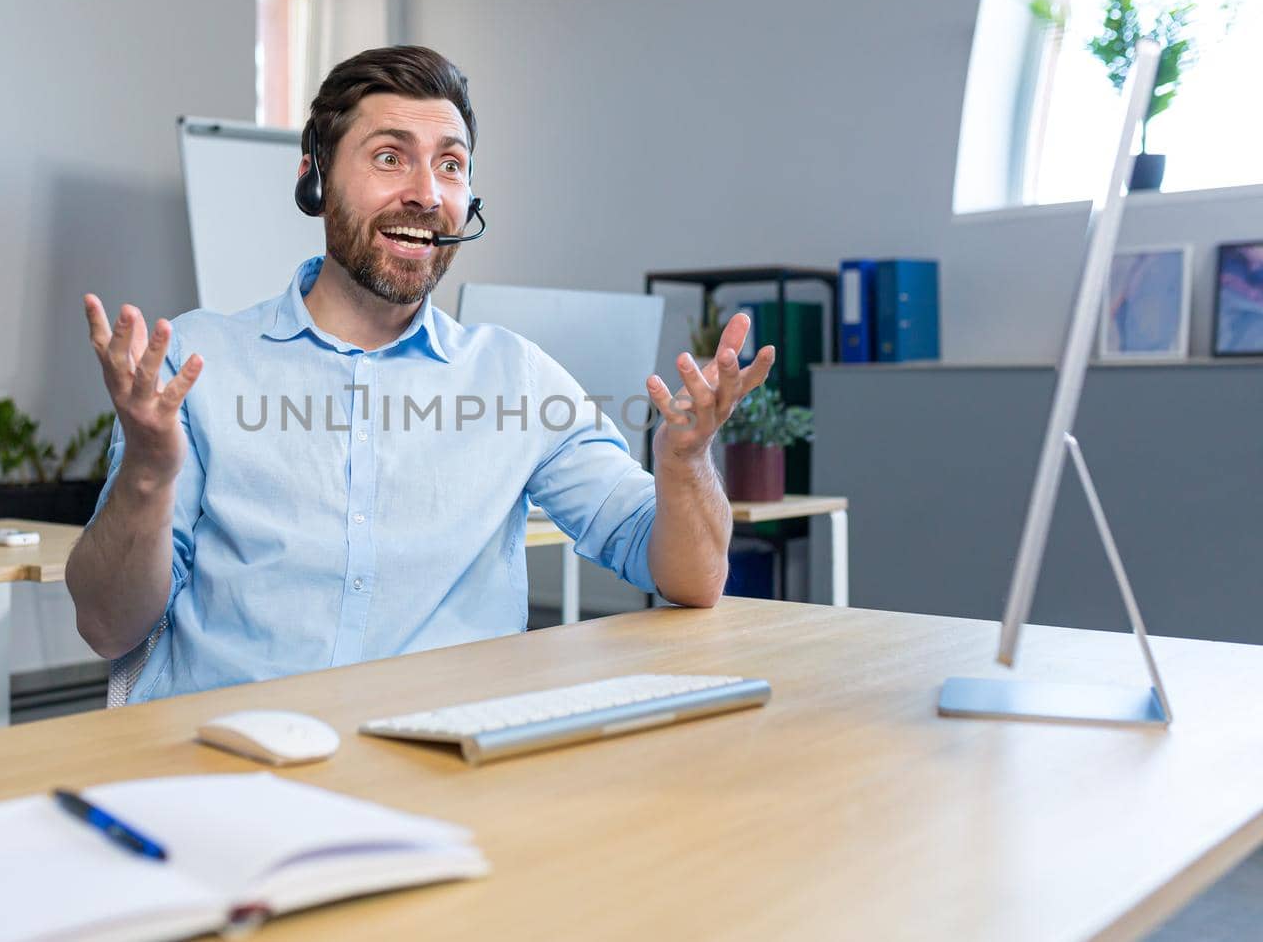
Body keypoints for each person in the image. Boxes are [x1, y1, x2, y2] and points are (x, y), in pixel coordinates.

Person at [65, 45, 775, 702]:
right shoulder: (199, 364)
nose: (427, 192)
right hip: (228, 766)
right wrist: (150, 474)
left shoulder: (515, 378)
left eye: (452, 164)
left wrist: (686, 464)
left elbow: (692, 575)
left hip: (443, 770)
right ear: (314, 177)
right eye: (388, 157)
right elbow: (108, 625)